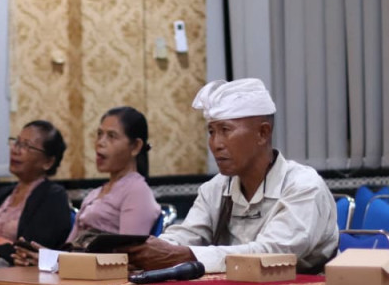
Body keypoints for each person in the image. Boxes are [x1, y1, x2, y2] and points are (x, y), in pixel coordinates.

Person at [122, 78, 338, 273]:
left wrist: (186, 256)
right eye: (211, 132)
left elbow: (272, 255)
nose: (215, 144)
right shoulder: (215, 188)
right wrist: (148, 252)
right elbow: (187, 234)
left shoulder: (304, 186)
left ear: (263, 133)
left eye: (225, 130)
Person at [0, 120, 73, 250]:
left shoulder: (53, 197)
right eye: (16, 142)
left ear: (48, 162)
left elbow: (30, 249)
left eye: (26, 146)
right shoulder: (4, 194)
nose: (15, 150)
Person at [66, 107, 160, 242]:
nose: (100, 143)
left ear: (135, 146)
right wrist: (47, 257)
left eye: (111, 136)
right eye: (99, 134)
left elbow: (129, 255)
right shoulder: (95, 193)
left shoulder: (137, 191)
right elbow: (68, 249)